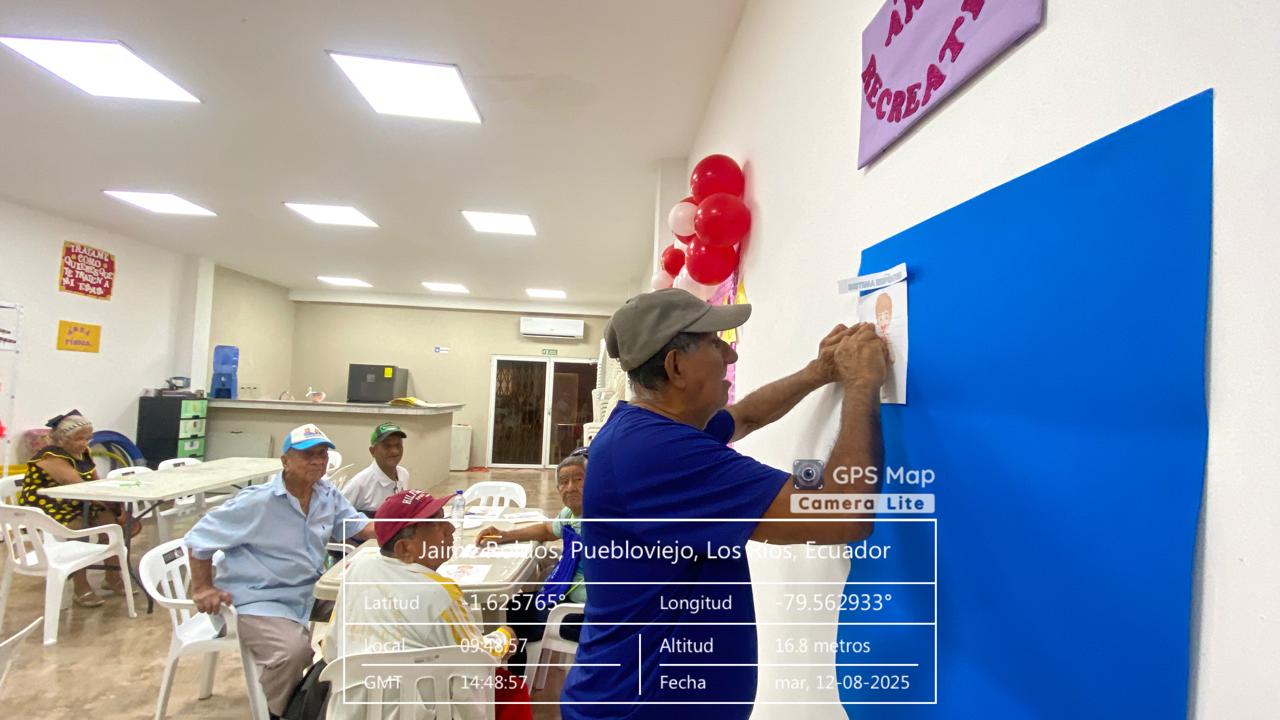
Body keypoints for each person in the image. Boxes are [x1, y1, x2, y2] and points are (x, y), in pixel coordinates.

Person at [560, 288, 889, 718]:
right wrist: (862, 385)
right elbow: (842, 515)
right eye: (716, 344)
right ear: (676, 366)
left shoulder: (648, 430)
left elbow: (745, 416)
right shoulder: (656, 453)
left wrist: (819, 371)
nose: (730, 356)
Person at [186, 423, 376, 718]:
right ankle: (280, 712)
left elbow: (360, 527)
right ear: (285, 461)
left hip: (308, 589)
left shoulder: (326, 494)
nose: (318, 461)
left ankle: (338, 692)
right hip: (258, 598)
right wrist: (203, 588)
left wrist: (412, 526)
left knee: (370, 608)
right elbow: (199, 539)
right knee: (292, 652)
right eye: (308, 454)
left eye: (323, 454)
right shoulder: (257, 502)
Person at [323, 489, 530, 719]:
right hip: (421, 712)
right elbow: (477, 657)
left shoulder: (356, 570)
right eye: (437, 523)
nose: (450, 528)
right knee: (510, 686)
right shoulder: (440, 594)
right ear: (404, 548)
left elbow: (330, 649)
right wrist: (505, 636)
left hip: (351, 711)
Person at [476, 449, 588, 674]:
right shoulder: (569, 514)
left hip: (583, 615)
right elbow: (547, 530)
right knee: (510, 606)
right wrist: (504, 535)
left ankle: (511, 682)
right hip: (561, 594)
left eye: (578, 480)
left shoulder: (602, 520)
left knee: (510, 621)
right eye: (563, 482)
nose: (570, 487)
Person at [17, 410, 131, 607]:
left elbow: (94, 483)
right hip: (48, 504)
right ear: (63, 439)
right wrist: (107, 501)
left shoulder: (82, 453)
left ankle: (112, 577)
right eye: (80, 439)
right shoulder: (51, 456)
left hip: (78, 501)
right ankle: (80, 586)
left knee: (111, 522)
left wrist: (115, 506)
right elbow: (77, 486)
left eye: (88, 438)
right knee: (78, 527)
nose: (85, 443)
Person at [340, 421, 409, 515]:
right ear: (372, 451)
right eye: (387, 446)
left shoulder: (404, 474)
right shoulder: (359, 484)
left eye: (398, 445)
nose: (394, 451)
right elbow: (338, 516)